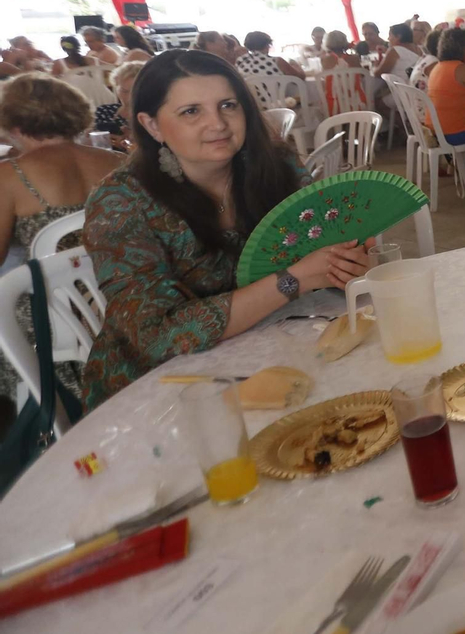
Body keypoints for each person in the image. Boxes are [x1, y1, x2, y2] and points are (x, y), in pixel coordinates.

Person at [81, 51, 372, 406]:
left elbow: (320, 248)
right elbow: (158, 336)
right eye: (191, 111)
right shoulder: (121, 201)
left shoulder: (276, 166)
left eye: (228, 105)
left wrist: (348, 262)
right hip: (161, 388)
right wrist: (292, 280)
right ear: (152, 125)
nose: (217, 124)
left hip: (273, 346)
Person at [0, 74, 124, 413]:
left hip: (56, 313)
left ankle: (38, 417)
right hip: (125, 295)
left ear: (14, 124)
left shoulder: (10, 176)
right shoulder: (118, 163)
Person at [426, 27, 465, 147]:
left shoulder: (437, 67)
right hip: (457, 132)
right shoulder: (464, 70)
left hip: (436, 131)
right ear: (462, 47)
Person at [97, 61, 143, 140]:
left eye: (136, 92)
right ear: (116, 88)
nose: (130, 97)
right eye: (124, 91)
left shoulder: (153, 116)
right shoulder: (105, 112)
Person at [234, 32, 307, 80]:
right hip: (278, 102)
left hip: (252, 102)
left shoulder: (240, 62)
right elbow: (301, 77)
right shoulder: (277, 61)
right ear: (267, 45)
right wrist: (294, 63)